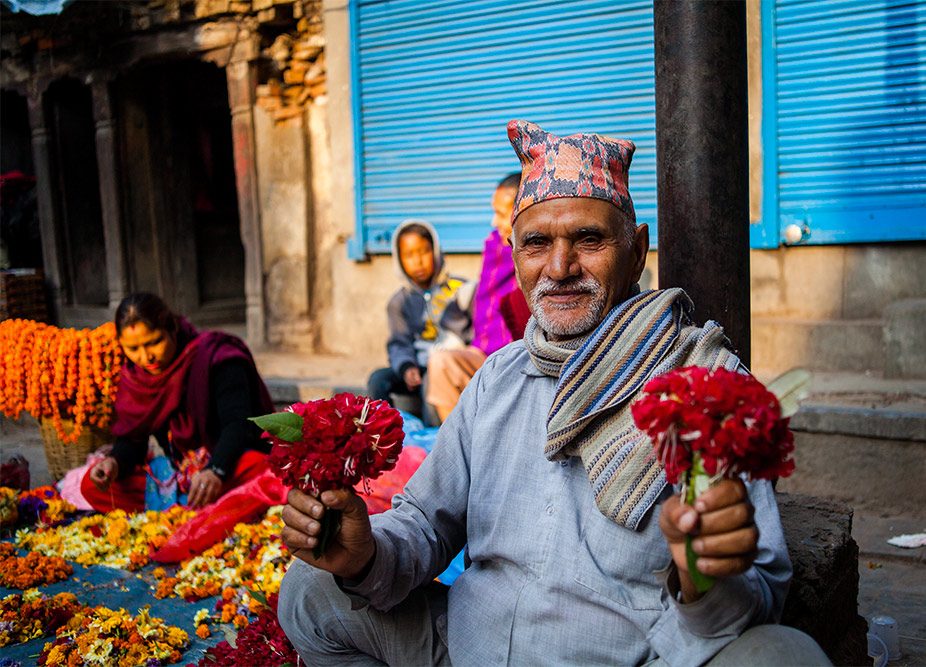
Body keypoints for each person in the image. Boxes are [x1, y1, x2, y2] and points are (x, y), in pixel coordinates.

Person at [278, 120, 831, 666]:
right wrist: (366, 555)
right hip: (471, 648)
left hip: (630, 657)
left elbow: (757, 594)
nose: (560, 268)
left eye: (589, 239)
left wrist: (704, 580)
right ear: (515, 253)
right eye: (537, 243)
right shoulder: (497, 379)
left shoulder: (707, 390)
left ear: (636, 252)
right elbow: (423, 523)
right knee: (310, 590)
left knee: (783, 656)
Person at [80, 293, 274, 513]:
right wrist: (114, 462)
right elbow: (133, 439)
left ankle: (195, 506)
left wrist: (215, 471)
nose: (146, 357)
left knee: (259, 466)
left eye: (154, 342)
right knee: (91, 484)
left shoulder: (216, 357)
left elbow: (238, 425)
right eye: (133, 349)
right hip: (177, 476)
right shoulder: (136, 378)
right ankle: (203, 508)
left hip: (224, 466)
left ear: (172, 328)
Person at [425, 173, 524, 422]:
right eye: (495, 212)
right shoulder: (495, 249)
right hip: (484, 351)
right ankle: (456, 446)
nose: (494, 221)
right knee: (440, 362)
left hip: (521, 357)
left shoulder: (540, 255)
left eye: (502, 214)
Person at [366, 219, 474, 426]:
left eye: (424, 251)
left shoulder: (459, 289)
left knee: (431, 381)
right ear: (399, 260)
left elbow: (473, 331)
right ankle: (382, 433)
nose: (418, 260)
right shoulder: (399, 302)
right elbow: (399, 342)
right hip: (415, 365)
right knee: (378, 379)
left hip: (448, 365)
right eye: (409, 255)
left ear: (435, 251)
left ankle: (435, 440)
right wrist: (406, 367)